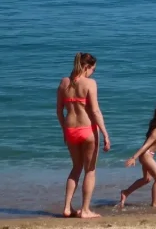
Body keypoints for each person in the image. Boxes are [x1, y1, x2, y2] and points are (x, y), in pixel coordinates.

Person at [56, 52, 111, 218]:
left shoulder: (64, 82)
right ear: (86, 67)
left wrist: (64, 131)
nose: (93, 72)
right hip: (87, 129)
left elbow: (59, 111)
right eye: (93, 69)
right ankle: (85, 210)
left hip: (70, 129)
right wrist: (105, 134)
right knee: (90, 170)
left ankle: (67, 208)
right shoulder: (90, 83)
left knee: (76, 168)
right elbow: (95, 111)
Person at [120, 104, 156, 208]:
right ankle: (154, 203)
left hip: (149, 155)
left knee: (146, 179)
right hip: (146, 155)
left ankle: (125, 193)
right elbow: (145, 146)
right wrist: (134, 157)